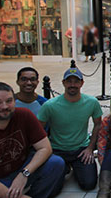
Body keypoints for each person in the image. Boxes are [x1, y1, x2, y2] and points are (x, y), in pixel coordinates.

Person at [37, 67, 103, 195]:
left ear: (82, 83)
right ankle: (64, 167)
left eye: (76, 81)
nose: (72, 85)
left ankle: (72, 167)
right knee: (54, 189)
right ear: (63, 83)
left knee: (89, 184)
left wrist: (90, 148)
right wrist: (45, 151)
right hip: (57, 150)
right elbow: (39, 129)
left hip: (81, 149)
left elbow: (98, 124)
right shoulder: (50, 106)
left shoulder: (92, 102)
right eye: (69, 81)